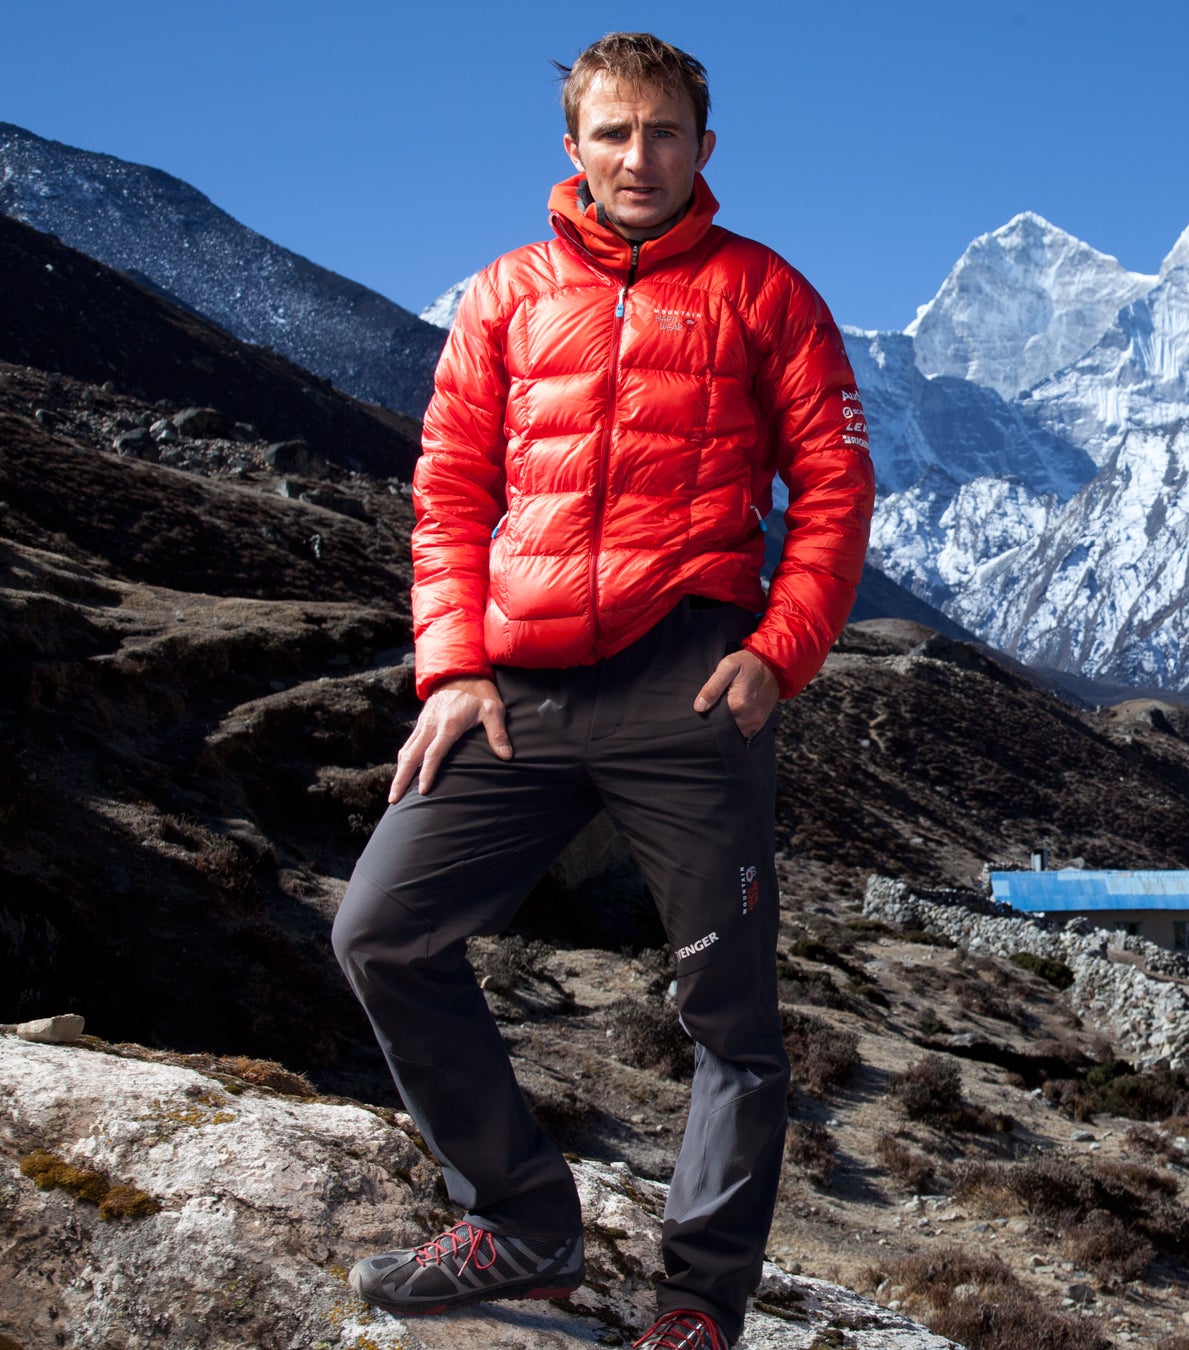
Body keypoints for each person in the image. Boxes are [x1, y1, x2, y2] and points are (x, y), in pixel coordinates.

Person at [330, 31, 874, 1350]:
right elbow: (451, 492)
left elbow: (837, 490)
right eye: (615, 135)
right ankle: (517, 1217)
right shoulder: (506, 297)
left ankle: (698, 1307)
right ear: (573, 148)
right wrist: (452, 663)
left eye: (666, 134)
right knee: (381, 930)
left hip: (691, 685)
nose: (641, 158)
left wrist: (776, 653)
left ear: (703, 147)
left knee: (731, 1021)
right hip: (518, 687)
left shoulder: (768, 296)